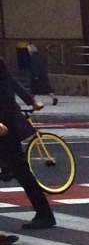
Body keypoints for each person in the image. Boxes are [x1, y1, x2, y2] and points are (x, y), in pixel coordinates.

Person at [0, 57, 56, 235]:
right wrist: (31, 102)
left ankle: (45, 214)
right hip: (7, 122)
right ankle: (44, 214)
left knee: (21, 170)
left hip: (6, 124)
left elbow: (5, 93)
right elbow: (13, 83)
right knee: (20, 169)